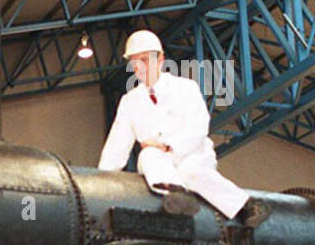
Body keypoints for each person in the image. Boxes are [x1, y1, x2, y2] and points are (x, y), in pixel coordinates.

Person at [97, 29, 267, 225]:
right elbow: (117, 144)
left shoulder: (185, 88)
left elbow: (199, 126)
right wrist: (102, 180)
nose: (140, 68)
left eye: (144, 60)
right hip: (160, 165)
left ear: (160, 59)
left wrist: (169, 146)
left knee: (190, 169)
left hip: (192, 153)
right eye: (134, 62)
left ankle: (247, 205)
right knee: (147, 156)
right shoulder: (130, 101)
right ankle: (178, 196)